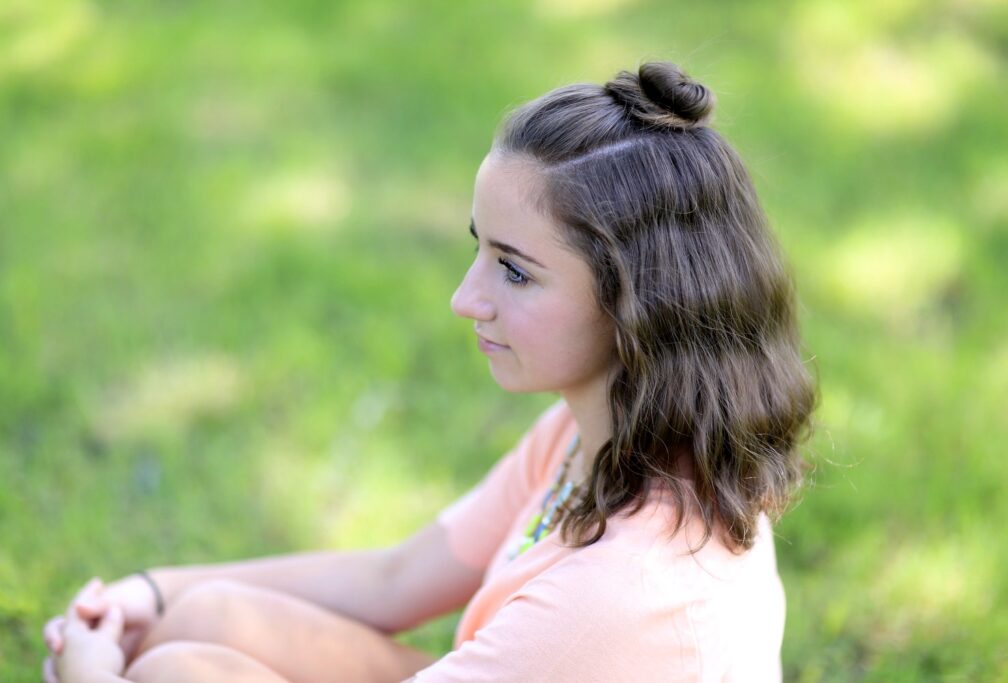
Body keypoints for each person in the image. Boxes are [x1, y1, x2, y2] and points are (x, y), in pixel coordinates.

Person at [42, 60, 816, 682]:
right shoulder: (595, 435)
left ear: (638, 302)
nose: (463, 298)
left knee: (177, 671)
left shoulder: (622, 595)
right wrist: (147, 592)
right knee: (206, 618)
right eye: (479, 247)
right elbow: (393, 578)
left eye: (514, 272)